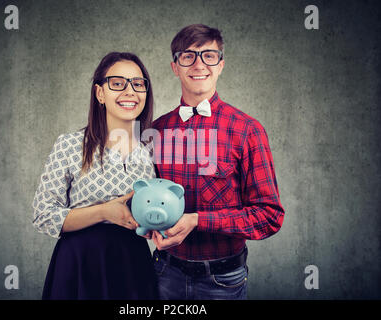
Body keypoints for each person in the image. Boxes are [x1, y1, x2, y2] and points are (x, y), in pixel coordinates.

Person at [150, 24, 285, 300]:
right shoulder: (156, 130)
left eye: (209, 55)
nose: (199, 64)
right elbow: (143, 198)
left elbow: (269, 216)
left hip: (222, 282)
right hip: (164, 274)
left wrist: (198, 220)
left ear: (221, 64)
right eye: (188, 56)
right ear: (175, 66)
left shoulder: (248, 130)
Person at [32, 52, 158, 300]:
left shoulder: (153, 150)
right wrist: (103, 211)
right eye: (118, 83)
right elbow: (43, 214)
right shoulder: (70, 145)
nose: (130, 91)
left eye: (138, 83)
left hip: (133, 266)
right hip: (79, 265)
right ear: (100, 93)